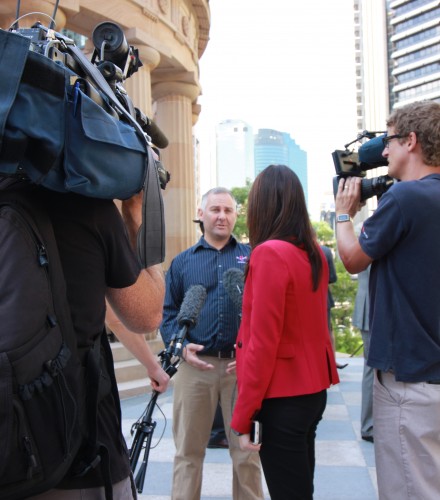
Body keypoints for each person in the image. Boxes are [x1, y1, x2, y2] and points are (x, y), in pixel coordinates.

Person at [30, 188, 170, 499]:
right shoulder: (91, 210)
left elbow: (112, 315)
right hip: (82, 445)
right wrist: (136, 209)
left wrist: (151, 364)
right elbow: (146, 314)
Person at [335, 100, 440, 499]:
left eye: (390, 140)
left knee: (409, 490)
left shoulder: (406, 199)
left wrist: (344, 214)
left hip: (409, 380)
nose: (383, 151)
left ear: (411, 141)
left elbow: (351, 257)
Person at [230, 165, 339, 500]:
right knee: (300, 487)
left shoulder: (268, 253)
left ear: (262, 206)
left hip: (282, 396)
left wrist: (242, 416)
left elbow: (264, 341)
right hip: (312, 390)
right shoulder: (314, 254)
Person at [160, 187, 264, 500]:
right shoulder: (181, 263)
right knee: (188, 453)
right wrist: (179, 347)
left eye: (228, 210)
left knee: (247, 454)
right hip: (195, 369)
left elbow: (263, 310)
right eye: (215, 209)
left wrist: (251, 351)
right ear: (201, 214)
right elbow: (168, 314)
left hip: (241, 369)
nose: (221, 216)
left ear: (236, 216)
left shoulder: (253, 258)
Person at [351, 265, 373, 443]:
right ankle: (369, 425)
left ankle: (370, 424)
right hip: (372, 306)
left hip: (372, 305)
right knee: (372, 369)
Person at [320, 242, 348, 369]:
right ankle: (332, 360)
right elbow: (332, 277)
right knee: (328, 329)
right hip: (323, 296)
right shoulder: (325, 251)